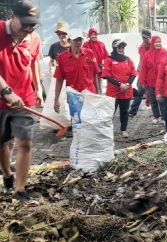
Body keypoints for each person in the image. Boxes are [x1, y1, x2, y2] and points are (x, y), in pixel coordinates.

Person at [0, 0, 43, 204]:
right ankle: (7, 173)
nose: (28, 29)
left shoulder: (34, 38)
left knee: (25, 142)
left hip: (24, 99)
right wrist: (6, 91)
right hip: (1, 100)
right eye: (24, 23)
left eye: (32, 24)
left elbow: (33, 63)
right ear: (12, 16)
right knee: (2, 143)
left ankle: (20, 190)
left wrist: (38, 89)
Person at [53, 28, 100, 113]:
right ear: (69, 41)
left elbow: (94, 74)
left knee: (90, 122)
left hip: (89, 95)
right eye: (75, 40)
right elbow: (59, 80)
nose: (78, 43)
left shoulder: (89, 54)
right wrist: (56, 99)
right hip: (74, 98)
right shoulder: (62, 58)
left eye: (80, 40)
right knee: (76, 123)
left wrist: (98, 91)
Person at [102, 39, 137, 138]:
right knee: (110, 112)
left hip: (126, 91)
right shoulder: (108, 60)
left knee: (124, 111)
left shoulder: (127, 59)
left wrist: (127, 84)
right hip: (113, 91)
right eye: (119, 47)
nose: (121, 49)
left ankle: (123, 130)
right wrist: (119, 85)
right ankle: (107, 131)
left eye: (122, 47)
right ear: (114, 48)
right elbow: (107, 75)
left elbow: (133, 73)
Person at [140, 35, 167, 124]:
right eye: (156, 42)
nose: (158, 43)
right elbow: (143, 69)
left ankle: (164, 117)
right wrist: (143, 81)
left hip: (162, 81)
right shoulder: (147, 54)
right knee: (153, 99)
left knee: (162, 100)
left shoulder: (165, 52)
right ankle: (156, 116)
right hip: (150, 81)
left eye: (159, 42)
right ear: (153, 43)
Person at [128, 29, 152, 116]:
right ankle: (133, 110)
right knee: (139, 91)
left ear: (150, 37)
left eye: (146, 38)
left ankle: (159, 113)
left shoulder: (155, 46)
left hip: (152, 74)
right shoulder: (142, 47)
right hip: (143, 73)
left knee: (153, 93)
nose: (144, 40)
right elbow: (141, 60)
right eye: (143, 38)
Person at [82, 28, 109, 94]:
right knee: (91, 89)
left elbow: (106, 57)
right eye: (92, 34)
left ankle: (100, 102)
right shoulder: (86, 45)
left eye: (95, 34)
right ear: (89, 35)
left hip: (99, 69)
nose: (94, 36)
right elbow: (83, 57)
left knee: (99, 89)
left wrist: (106, 67)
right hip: (90, 70)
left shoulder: (101, 44)